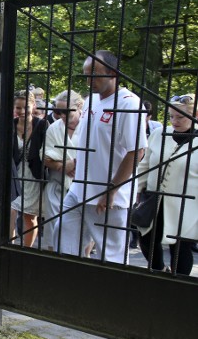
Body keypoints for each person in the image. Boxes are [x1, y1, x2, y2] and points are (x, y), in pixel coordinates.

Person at [56, 50, 147, 263]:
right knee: (63, 232)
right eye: (86, 75)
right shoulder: (90, 101)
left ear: (113, 73)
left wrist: (111, 190)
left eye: (95, 75)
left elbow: (136, 151)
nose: (89, 80)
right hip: (80, 189)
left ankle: (115, 293)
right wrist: (78, 162)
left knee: (110, 253)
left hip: (108, 194)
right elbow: (92, 140)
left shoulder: (129, 103)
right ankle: (71, 284)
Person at [135, 94, 198, 275]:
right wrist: (138, 189)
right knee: (146, 238)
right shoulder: (159, 134)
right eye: (171, 116)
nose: (174, 121)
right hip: (154, 200)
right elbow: (145, 164)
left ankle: (178, 283)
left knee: (180, 248)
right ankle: (159, 272)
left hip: (187, 205)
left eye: (180, 117)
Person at [40, 90, 83, 251]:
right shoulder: (54, 128)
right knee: (55, 233)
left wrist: (76, 162)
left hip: (83, 187)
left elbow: (98, 153)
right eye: (58, 112)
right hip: (57, 187)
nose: (62, 115)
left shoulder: (90, 126)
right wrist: (62, 166)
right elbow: (44, 155)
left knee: (81, 237)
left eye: (66, 111)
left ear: (79, 106)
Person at [10, 90, 49, 247]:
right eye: (18, 107)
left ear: (33, 106)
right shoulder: (10, 125)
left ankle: (26, 250)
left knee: (29, 216)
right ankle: (9, 248)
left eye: (25, 107)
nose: (22, 111)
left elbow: (48, 148)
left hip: (33, 174)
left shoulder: (41, 125)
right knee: (10, 213)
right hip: (14, 173)